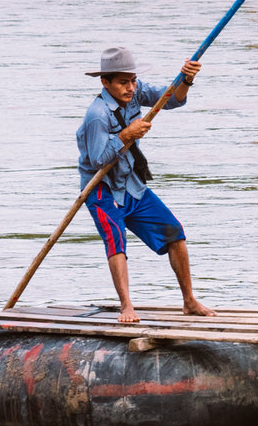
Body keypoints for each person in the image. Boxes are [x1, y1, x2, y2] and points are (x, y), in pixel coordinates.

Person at [78, 46, 210, 325]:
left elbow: (171, 99)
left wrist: (185, 79)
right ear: (106, 83)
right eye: (123, 82)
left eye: (133, 80)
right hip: (102, 189)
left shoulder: (136, 93)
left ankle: (189, 301)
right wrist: (127, 134)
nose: (131, 88)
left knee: (174, 232)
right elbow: (98, 160)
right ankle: (127, 306)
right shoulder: (97, 115)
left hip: (131, 184)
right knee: (116, 242)